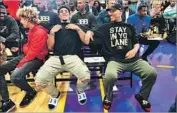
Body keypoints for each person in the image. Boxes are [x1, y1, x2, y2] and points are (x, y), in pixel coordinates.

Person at [85, 3, 157, 112]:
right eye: (109, 11)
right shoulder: (105, 27)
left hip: (133, 60)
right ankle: (108, 97)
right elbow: (92, 33)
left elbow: (136, 43)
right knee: (109, 76)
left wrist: (134, 50)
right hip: (115, 60)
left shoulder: (129, 27)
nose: (110, 14)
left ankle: (142, 96)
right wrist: (89, 31)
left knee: (151, 73)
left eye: (113, 11)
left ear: (120, 11)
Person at [35, 5, 90, 110]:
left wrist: (78, 29)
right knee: (40, 81)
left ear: (69, 14)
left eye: (66, 11)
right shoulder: (54, 28)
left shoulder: (76, 26)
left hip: (72, 58)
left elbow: (86, 41)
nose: (64, 12)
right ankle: (55, 94)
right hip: (56, 58)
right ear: (59, 15)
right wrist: (51, 33)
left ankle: (80, 91)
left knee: (85, 77)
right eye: (61, 11)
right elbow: (50, 47)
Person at [0, 6, 48, 112]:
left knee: (15, 77)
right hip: (27, 56)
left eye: (21, 19)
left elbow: (32, 53)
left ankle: (31, 92)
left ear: (27, 19)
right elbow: (27, 48)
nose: (20, 22)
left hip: (37, 59)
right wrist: (25, 49)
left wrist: (19, 64)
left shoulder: (39, 32)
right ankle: (7, 101)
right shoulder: (31, 30)